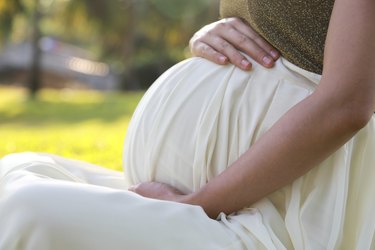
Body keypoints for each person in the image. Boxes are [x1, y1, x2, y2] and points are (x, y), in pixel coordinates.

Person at [1, 0, 375, 249]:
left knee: (29, 211)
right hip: (216, 197)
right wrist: (210, 34)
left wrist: (195, 205)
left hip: (287, 209)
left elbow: (347, 103)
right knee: (13, 175)